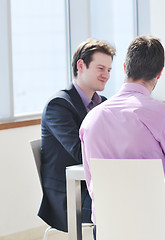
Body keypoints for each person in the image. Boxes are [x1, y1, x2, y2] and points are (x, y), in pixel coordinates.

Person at [80, 35, 165, 240]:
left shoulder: (91, 119)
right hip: (155, 226)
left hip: (106, 228)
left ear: (124, 67)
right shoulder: (161, 113)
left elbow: (91, 181)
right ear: (160, 72)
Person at [39, 39, 116, 231]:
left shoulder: (102, 104)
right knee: (127, 203)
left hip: (99, 184)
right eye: (101, 68)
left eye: (109, 70)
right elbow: (79, 151)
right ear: (81, 65)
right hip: (71, 195)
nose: (106, 75)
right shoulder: (58, 105)